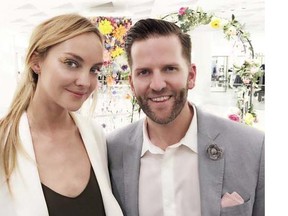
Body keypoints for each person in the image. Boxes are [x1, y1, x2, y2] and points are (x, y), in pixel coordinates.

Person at [107, 18, 264, 216]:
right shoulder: (112, 151)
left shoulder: (253, 147)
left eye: (169, 69)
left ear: (191, 76)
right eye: (144, 72)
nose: (157, 84)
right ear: (131, 83)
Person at [0, 14, 123, 216]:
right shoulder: (5, 141)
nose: (85, 81)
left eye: (94, 70)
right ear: (35, 61)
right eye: (71, 63)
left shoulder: (94, 136)